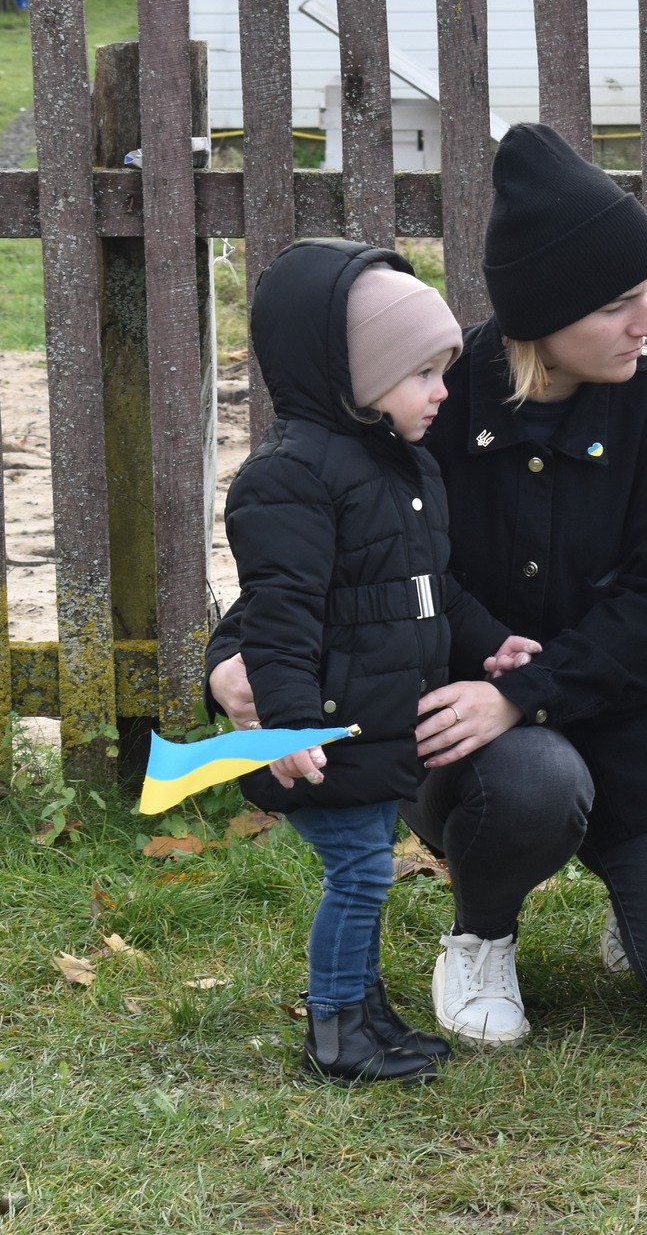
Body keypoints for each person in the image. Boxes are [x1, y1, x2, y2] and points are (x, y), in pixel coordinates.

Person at [210, 124, 647, 1048]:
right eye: (620, 304)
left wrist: (524, 689)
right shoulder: (430, 395)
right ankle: (482, 934)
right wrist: (229, 658)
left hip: (632, 711)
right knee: (535, 780)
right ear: (542, 314)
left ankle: (634, 880)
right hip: (461, 729)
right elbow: (309, 541)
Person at [216, 238, 538, 1085]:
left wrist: (489, 640)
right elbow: (278, 617)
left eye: (443, 371)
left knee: (366, 871)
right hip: (326, 732)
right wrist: (287, 725)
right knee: (360, 875)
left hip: (374, 727)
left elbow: (433, 587)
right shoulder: (289, 478)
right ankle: (335, 1028)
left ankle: (366, 1011)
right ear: (352, 375)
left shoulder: (400, 466)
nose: (442, 391)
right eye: (421, 373)